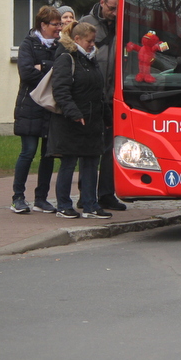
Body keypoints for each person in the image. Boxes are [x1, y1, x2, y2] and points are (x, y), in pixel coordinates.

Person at [49, 22, 109, 219]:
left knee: (92, 163)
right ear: (77, 40)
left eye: (94, 40)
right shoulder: (66, 58)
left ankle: (91, 204)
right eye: (89, 41)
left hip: (92, 121)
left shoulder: (90, 60)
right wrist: (74, 113)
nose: (92, 44)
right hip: (72, 122)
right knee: (68, 163)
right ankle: (64, 205)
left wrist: (107, 116)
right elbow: (60, 91)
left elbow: (99, 92)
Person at [10, 6, 62, 214]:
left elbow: (62, 72)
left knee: (48, 154)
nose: (59, 28)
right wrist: (49, 69)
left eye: (60, 24)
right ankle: (18, 197)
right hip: (30, 106)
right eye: (55, 24)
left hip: (50, 107)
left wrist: (42, 65)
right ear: (43, 25)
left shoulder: (59, 46)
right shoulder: (28, 44)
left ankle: (41, 198)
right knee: (28, 152)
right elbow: (27, 73)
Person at [79, 0, 126, 210]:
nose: (115, 14)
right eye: (111, 8)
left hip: (113, 97)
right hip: (91, 97)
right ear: (102, 3)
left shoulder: (124, 23)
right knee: (89, 149)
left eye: (119, 9)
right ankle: (85, 195)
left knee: (110, 149)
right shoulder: (87, 24)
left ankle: (106, 193)